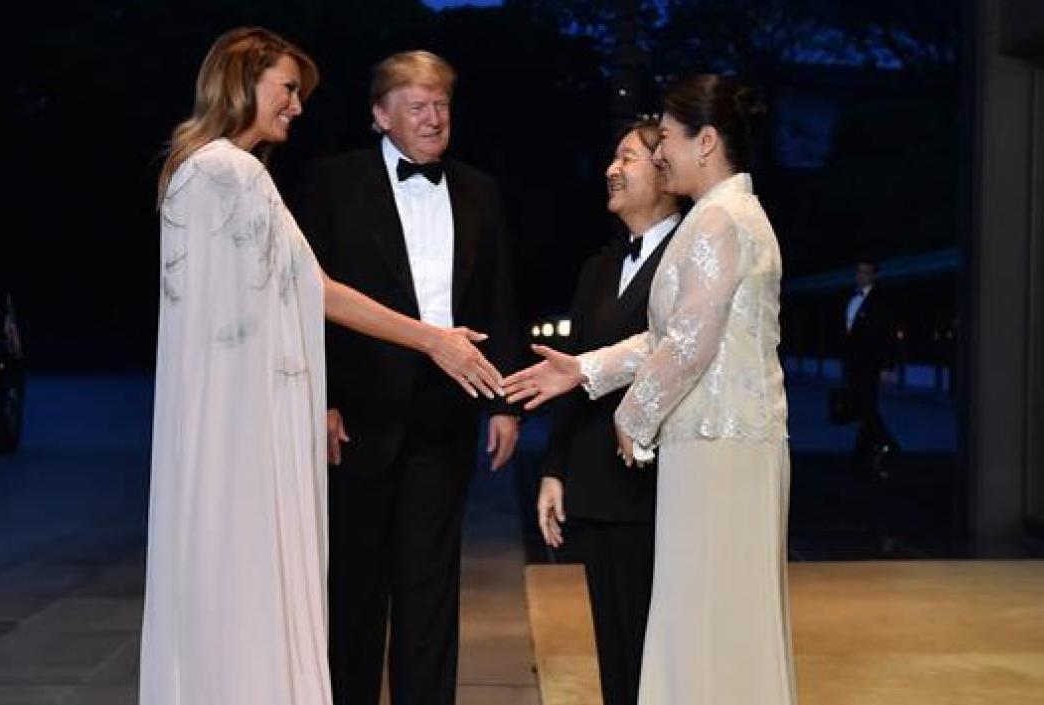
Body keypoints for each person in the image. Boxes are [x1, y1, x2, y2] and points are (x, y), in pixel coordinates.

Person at [141, 29, 503, 705]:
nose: (297, 106)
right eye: (287, 89)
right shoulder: (233, 173)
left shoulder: (194, 167)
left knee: (226, 572)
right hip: (249, 415)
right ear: (244, 82)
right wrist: (433, 340)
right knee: (265, 574)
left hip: (218, 411)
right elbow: (319, 290)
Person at [505, 75, 796, 705]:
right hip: (714, 445)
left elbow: (689, 342)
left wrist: (631, 420)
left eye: (665, 138)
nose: (660, 152)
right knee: (706, 617)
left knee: (712, 617)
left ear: (706, 141)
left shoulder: (718, 218)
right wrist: (582, 370)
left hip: (719, 447)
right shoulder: (725, 214)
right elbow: (665, 336)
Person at [298, 50, 522, 705]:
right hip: (356, 413)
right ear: (380, 115)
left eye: (442, 105)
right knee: (353, 592)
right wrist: (320, 400)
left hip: (445, 410)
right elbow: (305, 300)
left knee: (430, 590)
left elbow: (500, 295)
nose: (434, 118)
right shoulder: (331, 183)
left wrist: (505, 402)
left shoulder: (479, 188)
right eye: (418, 106)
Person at [535, 119, 680, 705]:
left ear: (666, 172)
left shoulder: (690, 257)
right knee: (615, 649)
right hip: (597, 484)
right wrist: (554, 469)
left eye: (627, 158)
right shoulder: (597, 267)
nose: (611, 170)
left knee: (658, 648)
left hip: (660, 484)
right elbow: (571, 372)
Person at [843, 258, 898, 470]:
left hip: (871, 363)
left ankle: (887, 442)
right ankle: (862, 453)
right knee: (864, 406)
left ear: (874, 276)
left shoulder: (881, 301)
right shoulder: (850, 298)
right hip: (853, 363)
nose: (861, 276)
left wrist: (887, 366)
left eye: (866, 272)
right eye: (859, 271)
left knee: (865, 405)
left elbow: (888, 335)